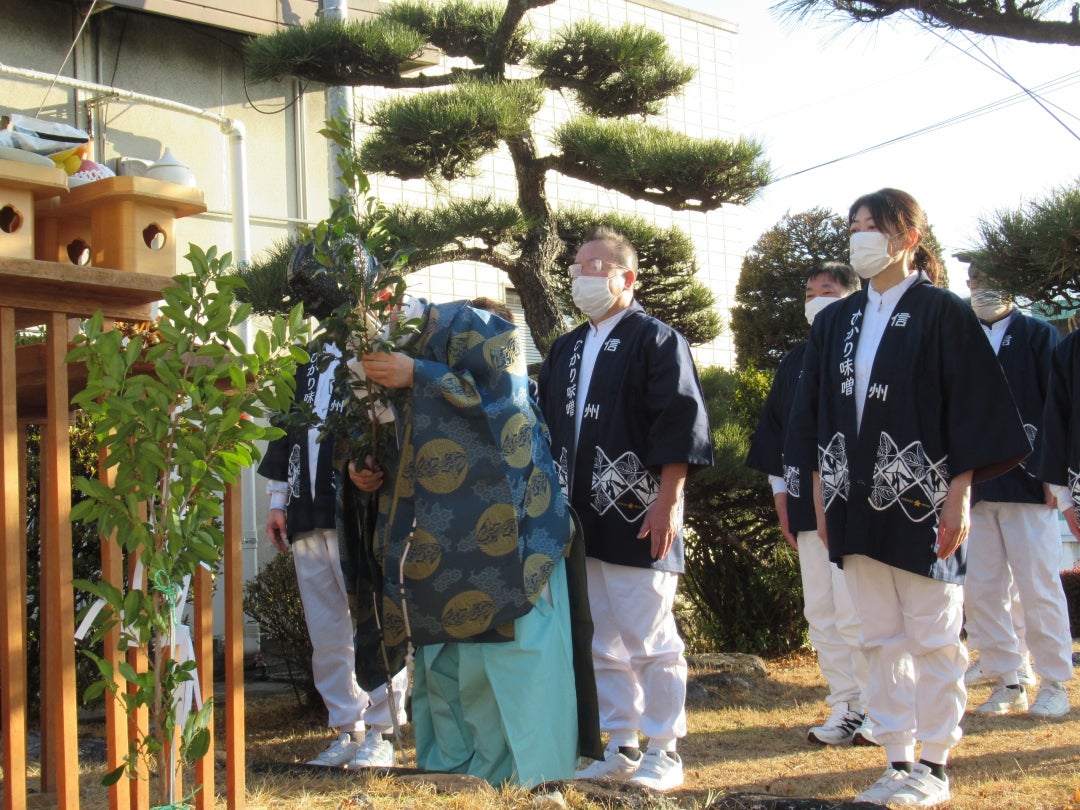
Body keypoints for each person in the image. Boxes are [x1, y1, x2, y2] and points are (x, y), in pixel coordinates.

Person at [785, 188, 1031, 807]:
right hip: (849, 500)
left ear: (909, 239)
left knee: (933, 634)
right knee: (876, 636)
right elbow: (814, 418)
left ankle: (935, 762)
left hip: (922, 497)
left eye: (874, 227)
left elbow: (973, 409)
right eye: (855, 227)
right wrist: (818, 495)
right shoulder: (837, 321)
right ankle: (896, 756)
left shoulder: (943, 312)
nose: (861, 237)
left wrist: (959, 495)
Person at [341, 293, 601, 788]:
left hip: (514, 533)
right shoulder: (377, 351)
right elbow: (384, 439)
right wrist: (364, 469)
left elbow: (506, 410)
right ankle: (453, 775)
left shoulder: (476, 326)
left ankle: (537, 778)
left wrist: (418, 374)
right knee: (447, 668)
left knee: (519, 662)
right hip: (436, 546)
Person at [537, 225, 714, 792]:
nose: (579, 276)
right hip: (577, 516)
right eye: (575, 267)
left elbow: (679, 426)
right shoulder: (564, 348)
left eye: (594, 266)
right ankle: (622, 741)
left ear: (626, 277)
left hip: (640, 511)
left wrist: (668, 502)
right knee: (599, 636)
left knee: (650, 633)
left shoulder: (658, 341)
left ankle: (666, 747)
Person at [257, 342, 408, 769]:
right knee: (326, 631)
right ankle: (347, 727)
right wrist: (277, 499)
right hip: (305, 511)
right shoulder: (305, 357)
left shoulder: (378, 347)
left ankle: (383, 730)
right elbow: (286, 427)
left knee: (373, 621)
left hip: (358, 513)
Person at [746, 261, 874, 746]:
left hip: (852, 504)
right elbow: (777, 433)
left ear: (851, 296)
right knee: (820, 612)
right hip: (803, 504)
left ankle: (879, 708)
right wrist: (781, 495)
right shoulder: (795, 360)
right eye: (809, 292)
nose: (816, 299)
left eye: (828, 290)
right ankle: (845, 705)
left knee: (855, 610)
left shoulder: (865, 350)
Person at [961, 264, 1072, 718]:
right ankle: (1009, 677)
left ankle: (1055, 681)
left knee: (1038, 585)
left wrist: (1055, 475)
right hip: (975, 484)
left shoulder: (1040, 336)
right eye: (975, 281)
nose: (983, 288)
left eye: (992, 279)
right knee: (980, 588)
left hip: (1031, 482)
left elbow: (1059, 406)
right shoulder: (960, 336)